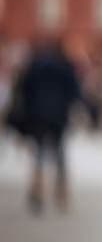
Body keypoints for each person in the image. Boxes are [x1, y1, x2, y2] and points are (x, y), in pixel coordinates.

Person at [8, 40, 82, 214]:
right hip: (59, 116)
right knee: (60, 154)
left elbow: (23, 91)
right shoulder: (65, 67)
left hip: (37, 115)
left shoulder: (34, 66)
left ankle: (37, 189)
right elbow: (75, 92)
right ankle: (61, 192)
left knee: (39, 153)